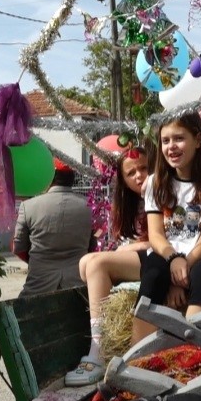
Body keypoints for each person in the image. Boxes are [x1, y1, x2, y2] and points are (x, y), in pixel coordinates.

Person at [132, 111, 201, 344]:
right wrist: (173, 261)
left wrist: (181, 271)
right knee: (154, 271)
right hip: (167, 256)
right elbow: (156, 235)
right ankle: (135, 360)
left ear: (197, 140)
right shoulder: (156, 182)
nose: (171, 147)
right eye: (166, 141)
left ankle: (189, 356)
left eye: (179, 138)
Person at [65, 147, 150, 386]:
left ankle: (98, 350)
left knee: (97, 263)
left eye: (143, 168)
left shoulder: (160, 193)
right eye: (131, 172)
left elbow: (167, 238)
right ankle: (100, 343)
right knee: (86, 263)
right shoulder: (128, 203)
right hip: (141, 257)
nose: (138, 176)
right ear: (122, 179)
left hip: (159, 259)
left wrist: (129, 248)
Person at [13, 159, 94, 297]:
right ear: (72, 179)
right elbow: (92, 246)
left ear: (48, 177)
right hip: (79, 286)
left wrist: (39, 261)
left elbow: (18, 247)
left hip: (38, 286)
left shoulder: (28, 206)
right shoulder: (89, 206)